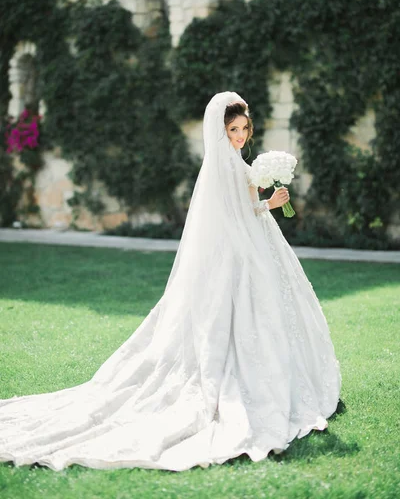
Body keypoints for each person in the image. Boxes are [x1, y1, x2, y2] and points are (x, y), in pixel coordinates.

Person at [0, 91, 341, 471]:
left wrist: (263, 201)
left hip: (251, 248)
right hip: (239, 253)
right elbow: (235, 217)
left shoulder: (231, 161)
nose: (241, 136)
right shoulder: (225, 165)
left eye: (245, 128)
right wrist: (270, 205)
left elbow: (242, 210)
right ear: (220, 129)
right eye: (233, 129)